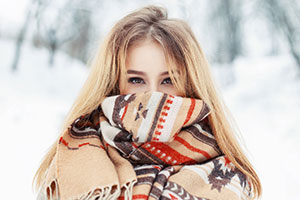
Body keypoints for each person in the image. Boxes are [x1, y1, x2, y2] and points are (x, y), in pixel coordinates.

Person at [33, 5, 261, 200]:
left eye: (169, 80)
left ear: (191, 85)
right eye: (136, 80)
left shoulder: (228, 177)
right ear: (114, 84)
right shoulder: (74, 163)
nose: (154, 95)